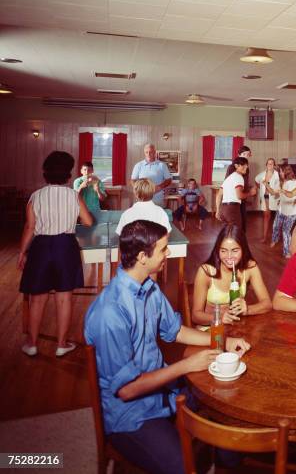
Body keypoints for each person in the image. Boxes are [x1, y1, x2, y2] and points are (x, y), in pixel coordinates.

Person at [84, 220, 250, 474]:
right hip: (133, 417)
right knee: (184, 466)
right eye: (163, 249)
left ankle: (228, 461)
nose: (168, 253)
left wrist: (224, 342)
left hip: (163, 393)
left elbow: (177, 331)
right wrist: (185, 366)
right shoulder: (110, 312)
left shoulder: (149, 289)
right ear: (142, 257)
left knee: (227, 402)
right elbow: (127, 391)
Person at [19, 151, 93, 357]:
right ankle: (61, 344)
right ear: (68, 176)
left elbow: (29, 228)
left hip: (41, 247)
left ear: (45, 174)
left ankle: (32, 344)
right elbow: (88, 222)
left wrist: (22, 252)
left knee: (37, 298)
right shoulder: (73, 195)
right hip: (65, 246)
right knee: (64, 298)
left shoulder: (36, 196)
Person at [192, 224, 272, 325]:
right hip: (212, 329)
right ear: (218, 250)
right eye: (223, 251)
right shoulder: (206, 271)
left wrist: (247, 309)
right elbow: (195, 316)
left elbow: (267, 304)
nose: (229, 257)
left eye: (235, 251)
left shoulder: (250, 267)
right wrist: (220, 318)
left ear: (243, 250)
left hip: (237, 328)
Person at [216, 157, 256, 229]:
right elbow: (240, 196)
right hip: (232, 210)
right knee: (235, 234)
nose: (246, 167)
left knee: (227, 235)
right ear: (236, 166)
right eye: (243, 165)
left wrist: (218, 211)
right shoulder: (239, 177)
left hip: (224, 210)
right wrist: (251, 193)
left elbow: (219, 195)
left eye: (247, 165)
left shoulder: (228, 178)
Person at [270, 164, 296, 259]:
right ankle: (274, 240)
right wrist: (266, 185)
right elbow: (276, 194)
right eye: (280, 171)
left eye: (281, 171)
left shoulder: (294, 182)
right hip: (281, 209)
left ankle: (287, 251)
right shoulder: (282, 182)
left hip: (291, 212)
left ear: (287, 172)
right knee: (275, 226)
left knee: (286, 231)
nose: (280, 173)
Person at [225, 146, 253, 231]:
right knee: (234, 221)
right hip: (234, 197)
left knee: (243, 219)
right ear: (238, 154)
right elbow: (227, 183)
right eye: (244, 154)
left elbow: (244, 182)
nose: (245, 156)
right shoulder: (232, 167)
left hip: (242, 197)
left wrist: (248, 189)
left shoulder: (246, 168)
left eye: (247, 154)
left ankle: (241, 238)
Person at [254, 158, 280, 243]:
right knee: (266, 217)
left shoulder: (277, 175)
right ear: (266, 165)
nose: (270, 165)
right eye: (268, 163)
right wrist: (260, 188)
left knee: (278, 218)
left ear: (274, 165)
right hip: (265, 198)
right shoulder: (261, 175)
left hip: (276, 198)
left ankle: (276, 237)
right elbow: (256, 181)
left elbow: (279, 187)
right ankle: (265, 237)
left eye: (272, 163)